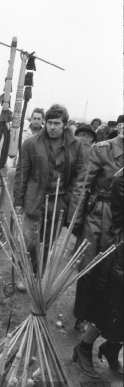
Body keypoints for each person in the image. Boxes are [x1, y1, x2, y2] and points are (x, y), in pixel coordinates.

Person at [14, 104, 84, 290]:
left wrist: (68, 199)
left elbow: (78, 175)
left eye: (56, 123)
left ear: (65, 125)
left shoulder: (75, 145)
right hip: (35, 199)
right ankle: (25, 274)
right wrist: (19, 201)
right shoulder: (31, 143)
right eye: (49, 123)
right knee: (30, 240)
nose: (52, 127)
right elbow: (22, 173)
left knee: (47, 243)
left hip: (58, 202)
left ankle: (38, 275)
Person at [69, 115, 123, 332]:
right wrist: (76, 220)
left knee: (111, 271)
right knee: (89, 265)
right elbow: (82, 185)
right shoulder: (102, 150)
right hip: (98, 215)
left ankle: (98, 319)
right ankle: (81, 315)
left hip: (120, 220)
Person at [72, 166, 123, 378]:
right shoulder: (122, 179)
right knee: (112, 306)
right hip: (121, 252)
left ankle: (111, 349)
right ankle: (84, 348)